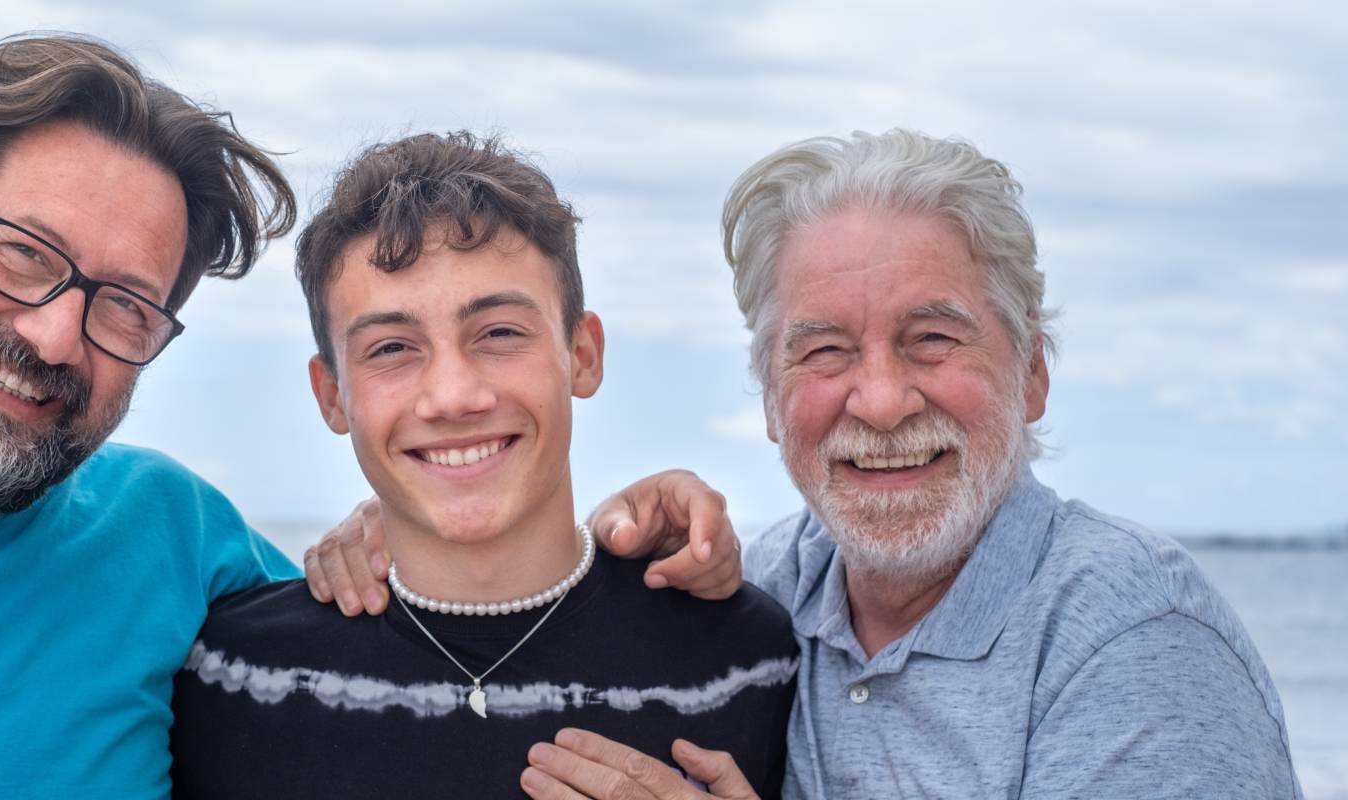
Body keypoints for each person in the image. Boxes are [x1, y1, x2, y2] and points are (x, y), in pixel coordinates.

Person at [0, 33, 741, 799]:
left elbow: (434, 640)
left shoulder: (175, 535)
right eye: (23, 256)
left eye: (123, 306)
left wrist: (648, 525)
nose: (58, 336)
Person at [308, 129, 1302, 799]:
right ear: (773, 395)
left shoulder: (1130, 639)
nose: (878, 399)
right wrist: (408, 525)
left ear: (1033, 373)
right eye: (824, 350)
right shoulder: (770, 590)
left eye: (932, 339)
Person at [169, 132, 797, 799]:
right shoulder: (231, 671)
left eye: (499, 333)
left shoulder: (746, 656)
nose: (453, 397)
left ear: (582, 355)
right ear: (332, 396)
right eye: (390, 348)